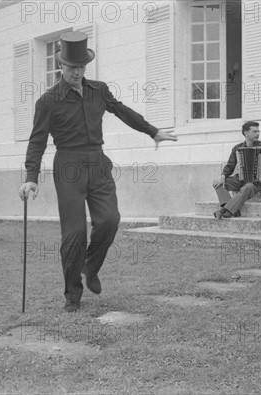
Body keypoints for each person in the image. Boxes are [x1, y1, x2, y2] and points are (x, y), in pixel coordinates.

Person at [18, 32, 177, 313]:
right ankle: (72, 294)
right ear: (61, 67)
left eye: (81, 67)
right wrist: (31, 177)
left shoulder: (99, 90)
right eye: (72, 68)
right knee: (74, 234)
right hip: (68, 166)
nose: (77, 73)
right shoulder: (48, 101)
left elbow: (122, 111)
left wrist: (153, 131)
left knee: (110, 220)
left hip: (98, 163)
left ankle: (90, 267)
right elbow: (37, 141)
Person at [212, 121, 261, 219]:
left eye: (258, 131)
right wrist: (222, 176)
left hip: (256, 182)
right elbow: (230, 166)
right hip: (240, 179)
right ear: (246, 133)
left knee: (247, 187)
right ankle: (234, 209)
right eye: (254, 131)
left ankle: (224, 210)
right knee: (217, 183)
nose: (258, 134)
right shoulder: (237, 148)